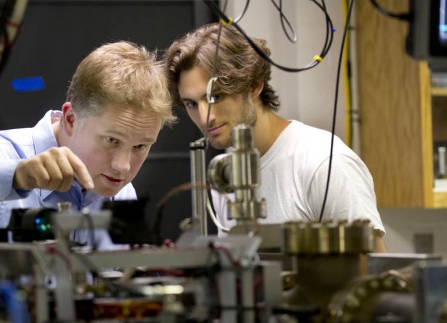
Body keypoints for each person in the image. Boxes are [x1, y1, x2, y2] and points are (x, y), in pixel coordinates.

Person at [0, 41, 176, 250]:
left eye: (141, 146)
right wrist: (15, 176)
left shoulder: (121, 195)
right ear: (70, 118)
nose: (122, 166)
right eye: (112, 140)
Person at [163, 22, 387, 253]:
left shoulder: (324, 162)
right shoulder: (226, 172)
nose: (204, 117)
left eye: (216, 97)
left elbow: (375, 273)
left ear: (254, 86)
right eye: (191, 103)